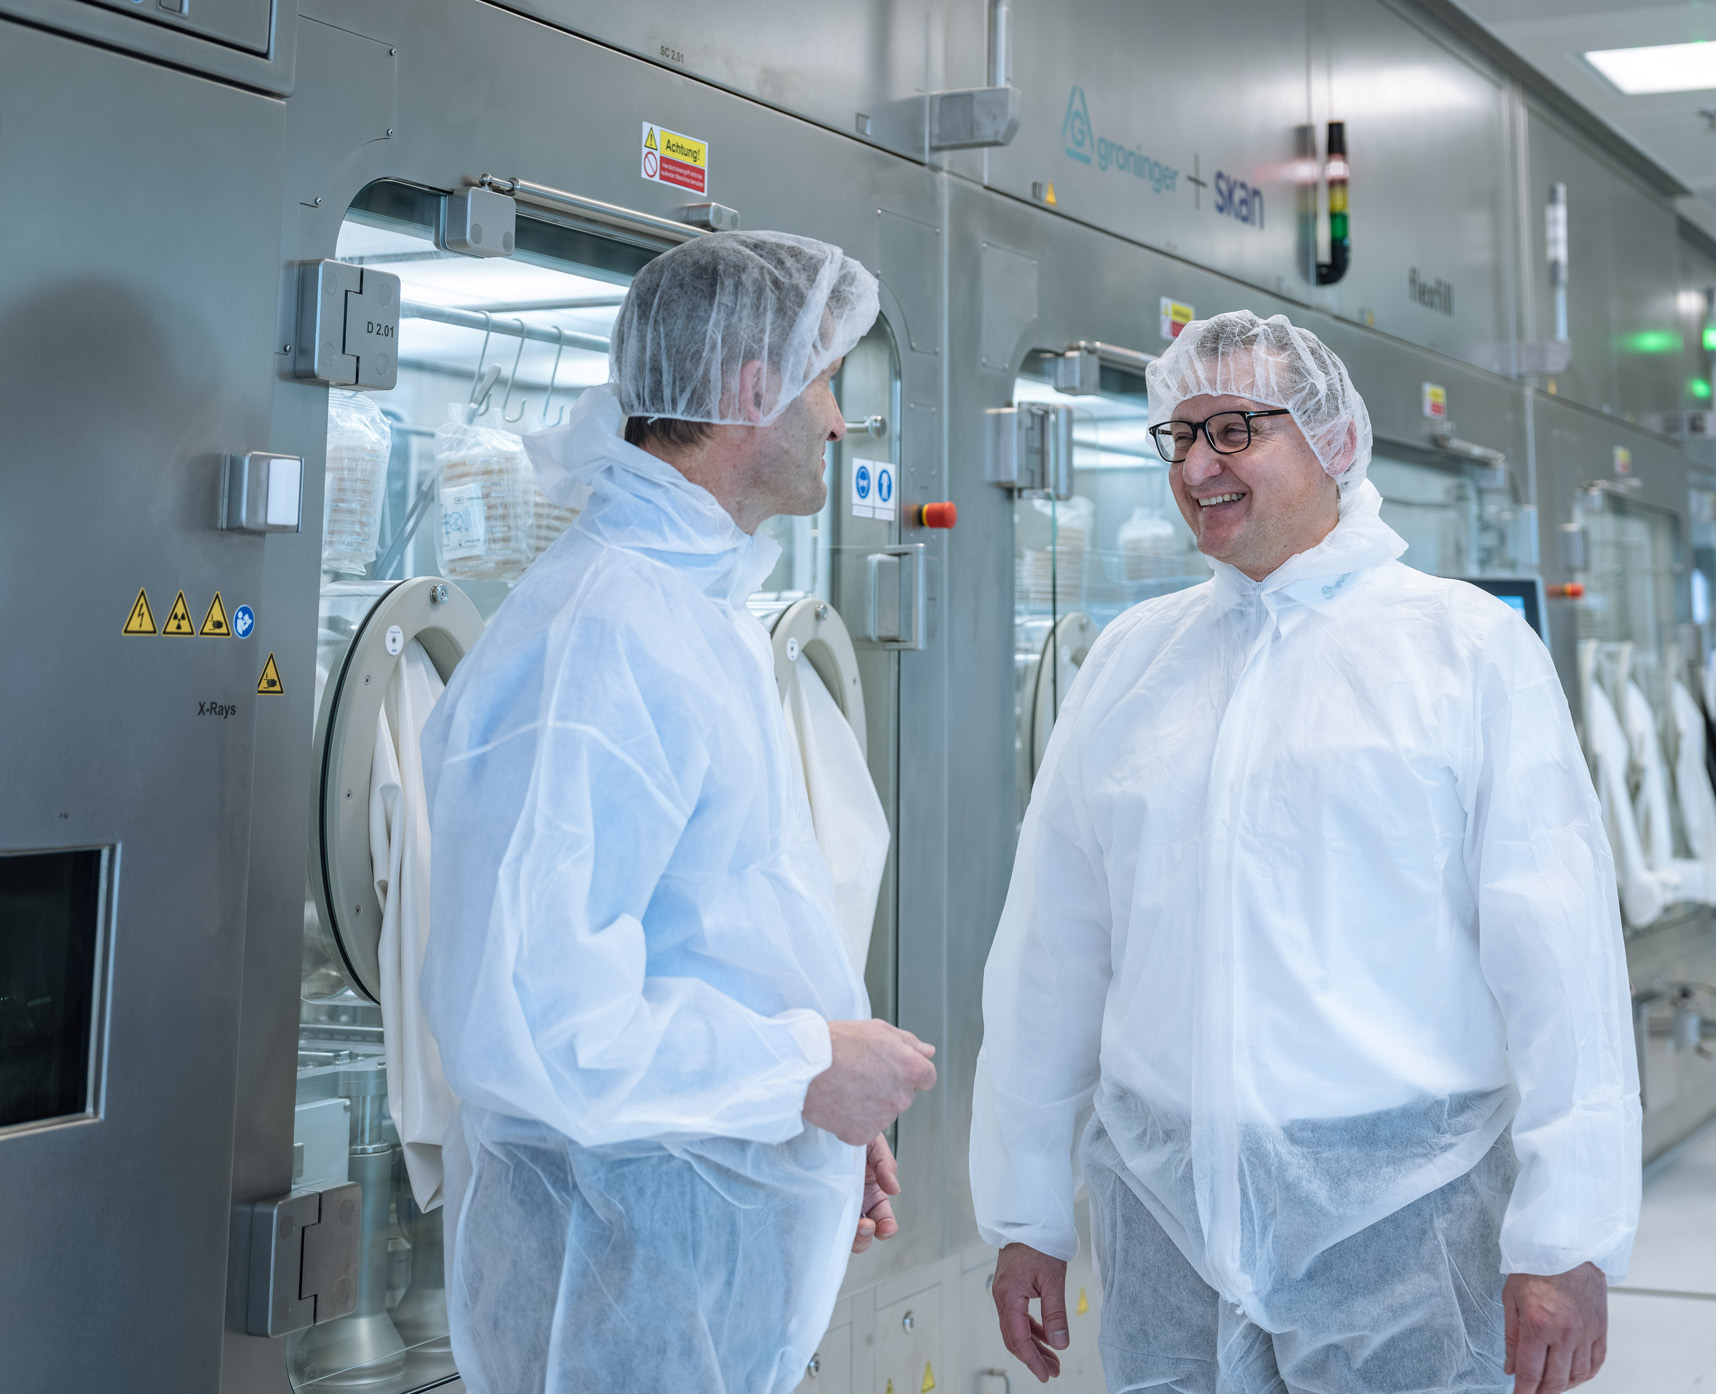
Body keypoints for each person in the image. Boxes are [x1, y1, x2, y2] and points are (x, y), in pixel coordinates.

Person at [971, 311, 1640, 1394]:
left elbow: (1558, 959)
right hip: (1162, 1208)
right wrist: (1025, 1208)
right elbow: (1053, 954)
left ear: (1334, 441)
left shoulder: (1462, 649)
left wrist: (1565, 1232)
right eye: (1176, 435)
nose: (1196, 464)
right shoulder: (1134, 662)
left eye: (1234, 429)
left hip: (1402, 1209)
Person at [420, 231, 938, 1394]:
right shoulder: (604, 631)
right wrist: (801, 1070)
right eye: (826, 382)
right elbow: (540, 1019)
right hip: (620, 1276)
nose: (840, 422)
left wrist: (816, 1110)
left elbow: (712, 922)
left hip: (694, 1259)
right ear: (755, 390)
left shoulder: (686, 608)